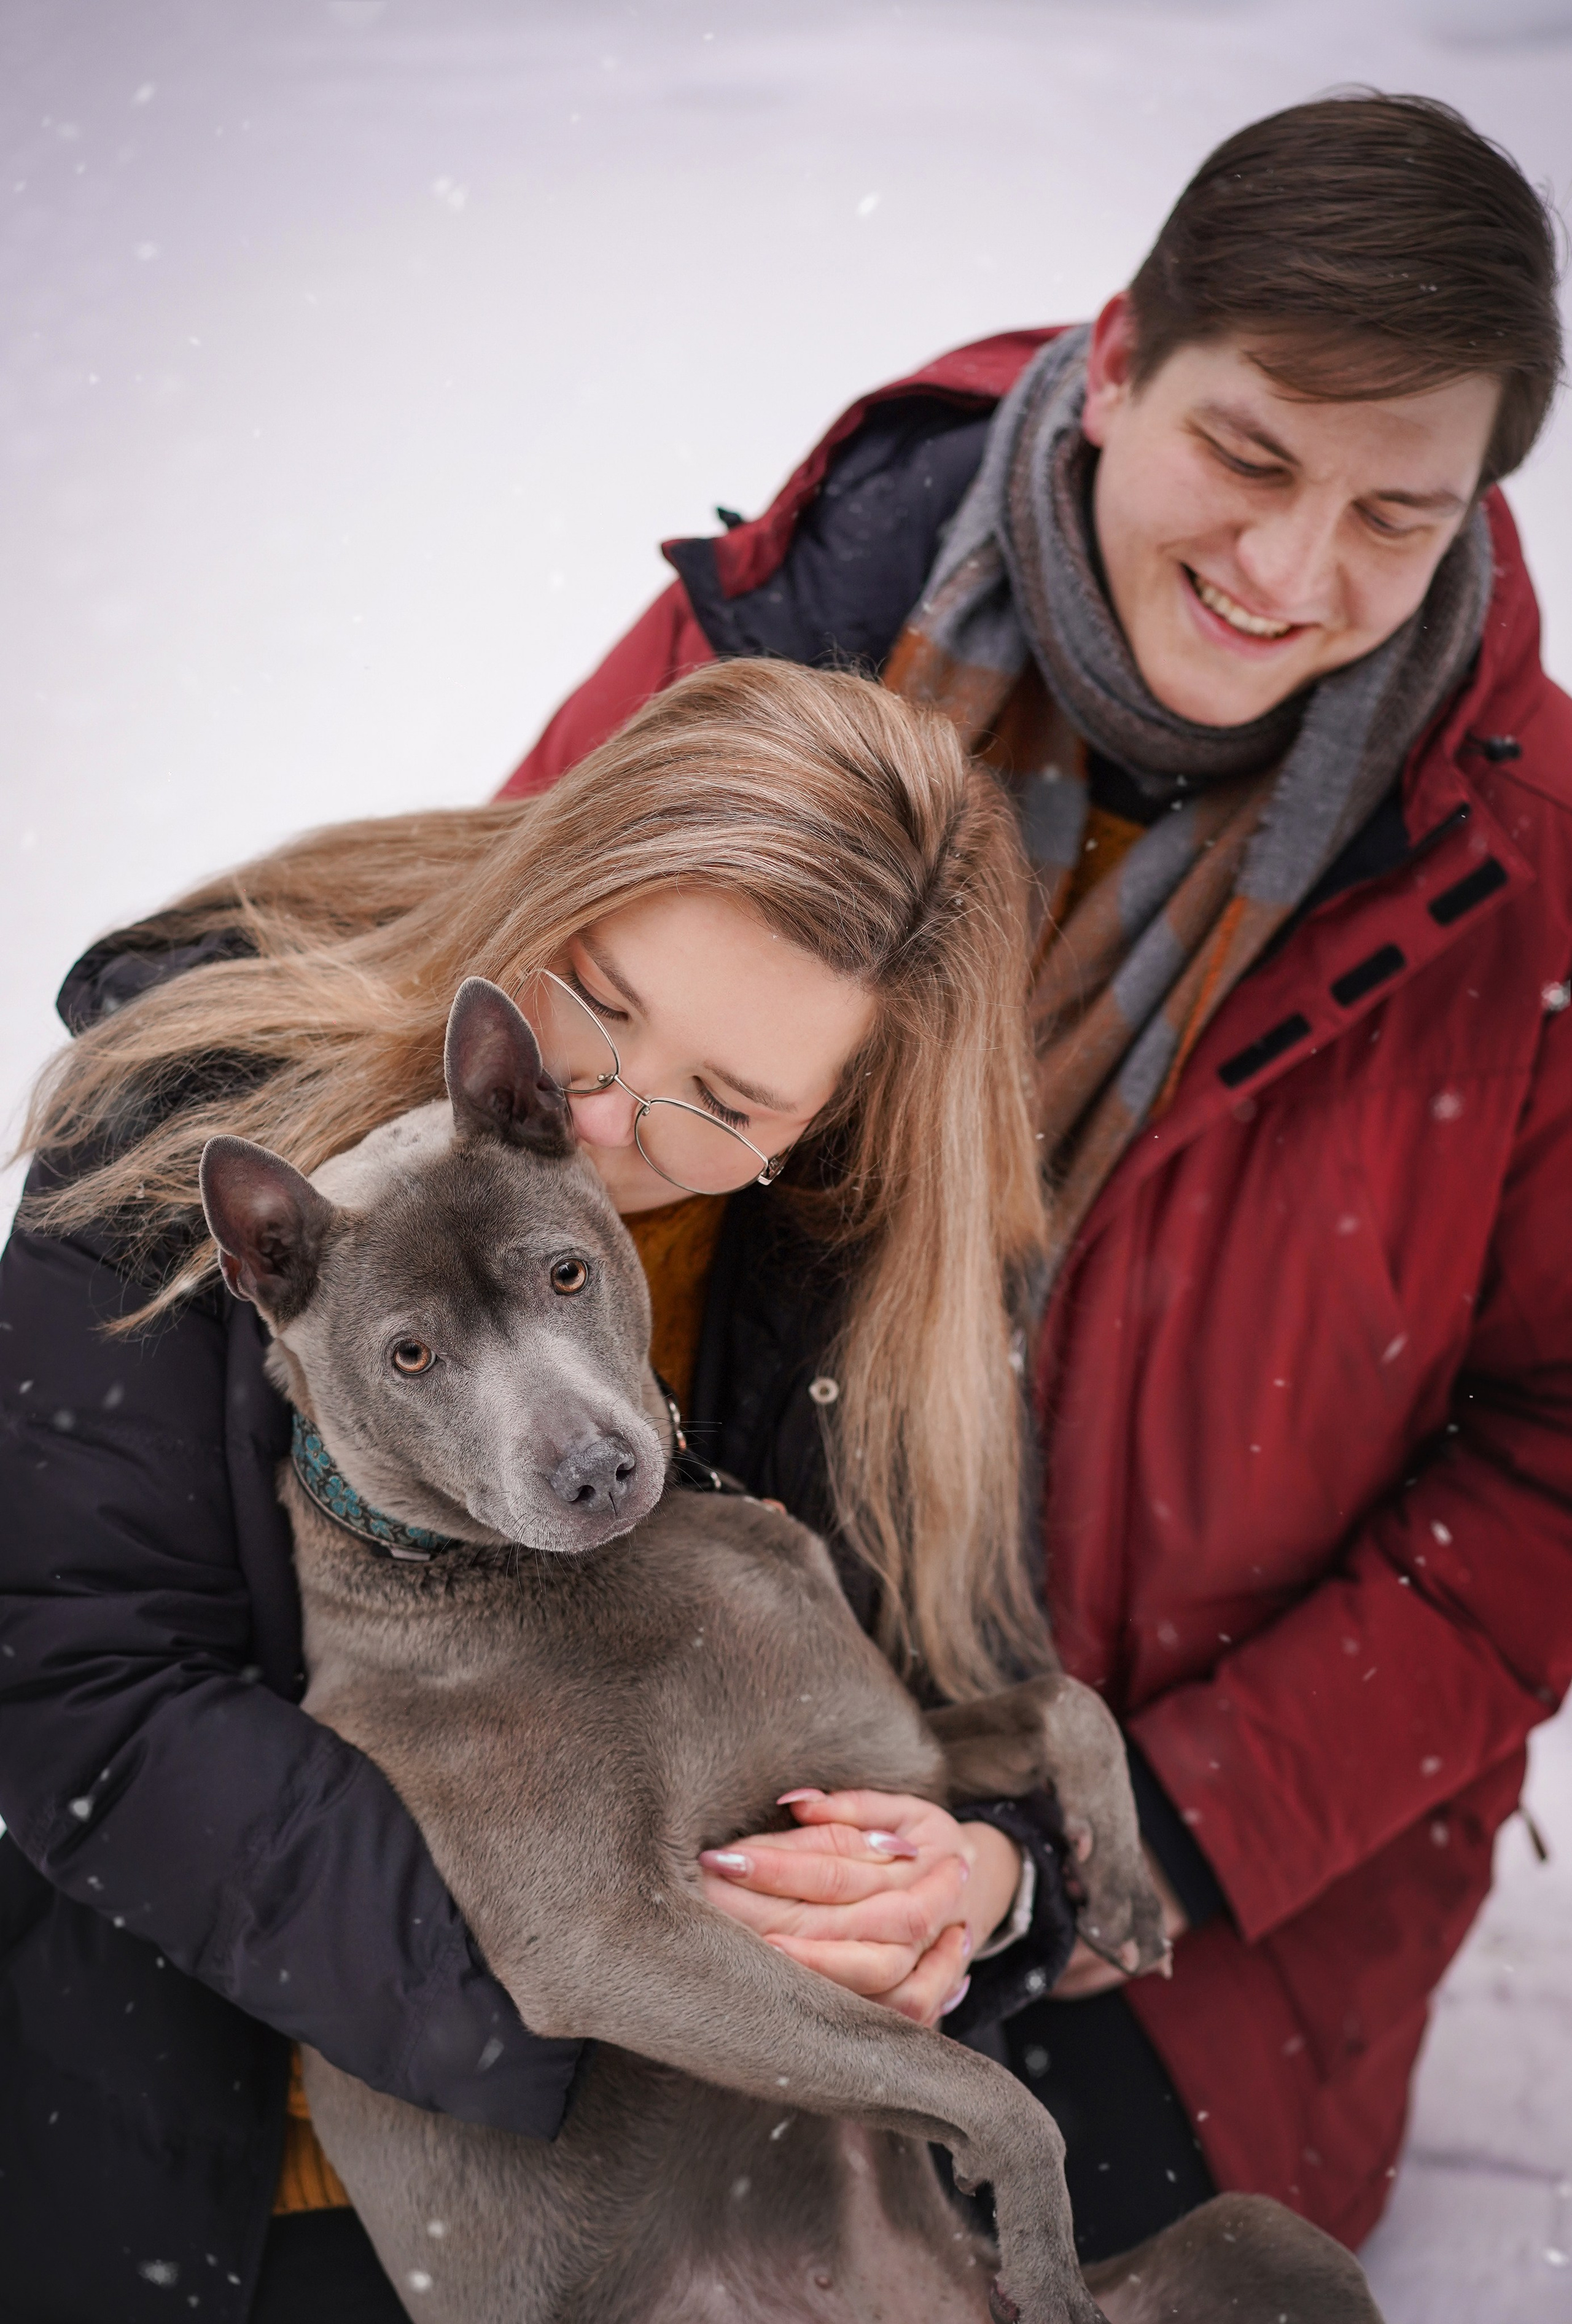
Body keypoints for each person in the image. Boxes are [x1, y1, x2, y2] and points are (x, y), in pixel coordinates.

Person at [496, 91, 1572, 2259]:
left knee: (976, 2264)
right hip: (684, 1655)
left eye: (1395, 512)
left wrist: (1079, 1845)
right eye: (1248, 457)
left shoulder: (1521, 893)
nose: (1291, 575)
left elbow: (1551, 1471)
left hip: (1180, 1887)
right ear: (1112, 364)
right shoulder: (819, 626)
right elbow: (495, 986)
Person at [0, 660, 1092, 2322]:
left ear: (828, 1121)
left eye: (728, 1102)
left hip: (756, 2143)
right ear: (557, 874)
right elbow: (76, 1690)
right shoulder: (194, 1125)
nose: (603, 1107)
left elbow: (971, 1674)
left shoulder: (847, 1272)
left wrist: (975, 1883)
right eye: (595, 993)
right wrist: (579, 1986)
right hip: (242, 2154)